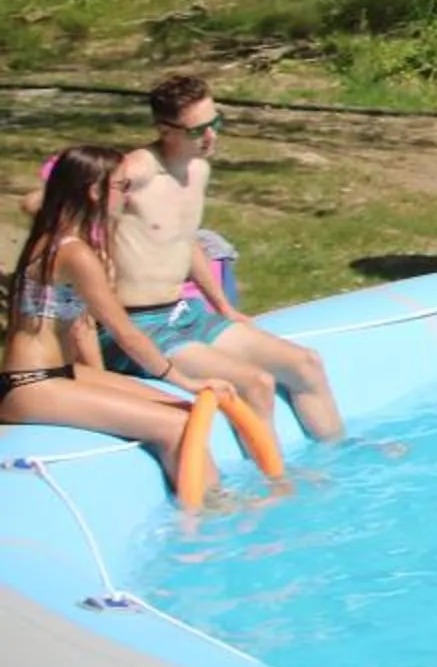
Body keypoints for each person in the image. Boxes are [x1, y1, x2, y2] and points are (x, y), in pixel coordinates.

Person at [105, 74, 346, 441]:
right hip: (138, 325)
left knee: (306, 364)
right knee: (256, 383)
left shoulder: (197, 170)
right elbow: (42, 202)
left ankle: (337, 459)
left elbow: (185, 242)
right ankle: (272, 486)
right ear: (165, 129)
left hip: (184, 313)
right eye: (197, 129)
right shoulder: (136, 172)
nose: (210, 136)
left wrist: (223, 306)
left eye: (215, 122)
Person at [2, 147, 243, 489]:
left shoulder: (60, 238)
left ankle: (211, 501)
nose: (129, 197)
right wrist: (188, 380)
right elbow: (125, 333)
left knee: (186, 412)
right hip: (32, 383)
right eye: (123, 186)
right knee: (176, 425)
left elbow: (81, 328)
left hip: (60, 374)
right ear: (94, 191)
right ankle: (209, 517)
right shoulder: (74, 253)